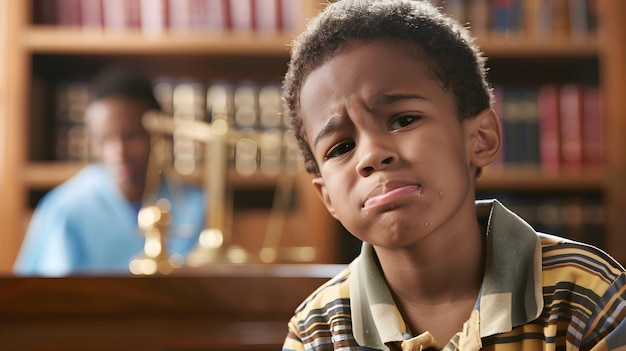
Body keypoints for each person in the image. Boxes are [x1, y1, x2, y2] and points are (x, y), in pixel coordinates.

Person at [281, 1, 626, 350]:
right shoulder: (317, 331)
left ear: (480, 138)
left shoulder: (590, 297)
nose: (370, 156)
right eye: (340, 148)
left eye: (403, 120)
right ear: (327, 197)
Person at [13, 65, 206, 276]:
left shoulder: (195, 206)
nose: (119, 152)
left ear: (160, 135)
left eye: (132, 136)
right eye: (105, 139)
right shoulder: (66, 208)